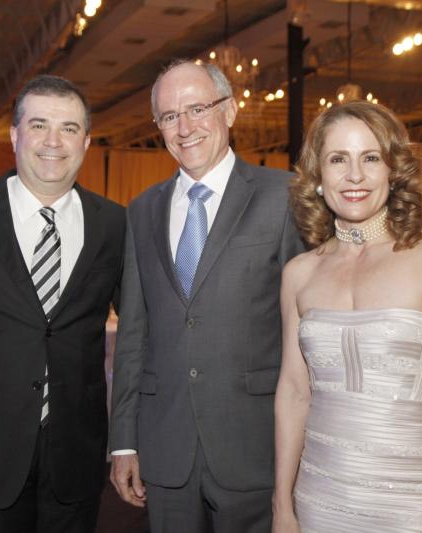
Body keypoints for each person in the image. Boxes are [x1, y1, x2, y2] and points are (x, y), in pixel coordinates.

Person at [272, 100, 422, 532]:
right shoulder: (299, 274)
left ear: (393, 170)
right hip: (319, 499)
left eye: (371, 158)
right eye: (338, 159)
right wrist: (282, 504)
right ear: (317, 176)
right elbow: (294, 392)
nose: (354, 175)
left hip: (418, 503)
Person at [108, 59, 304, 533]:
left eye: (197, 109)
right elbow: (133, 334)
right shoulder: (141, 210)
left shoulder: (285, 197)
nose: (185, 127)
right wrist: (124, 442)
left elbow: (307, 329)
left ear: (230, 110)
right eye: (169, 116)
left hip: (255, 445)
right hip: (165, 447)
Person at [0, 74, 125, 533]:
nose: (54, 141)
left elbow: (136, 335)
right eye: (39, 125)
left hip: (76, 457)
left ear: (86, 141)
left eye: (69, 128)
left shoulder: (114, 223)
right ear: (14, 135)